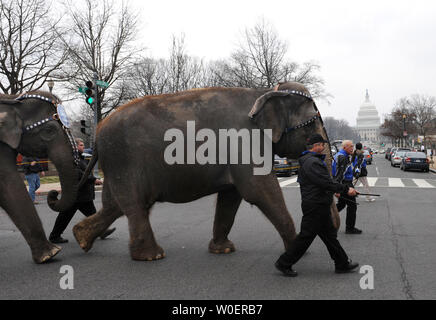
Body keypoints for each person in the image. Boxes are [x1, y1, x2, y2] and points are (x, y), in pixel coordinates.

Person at [275, 134, 359, 277]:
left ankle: (342, 263)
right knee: (306, 237)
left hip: (318, 203)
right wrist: (345, 189)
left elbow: (323, 182)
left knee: (330, 236)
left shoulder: (310, 161)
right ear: (316, 146)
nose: (324, 147)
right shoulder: (312, 162)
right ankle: (284, 263)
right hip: (315, 205)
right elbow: (324, 182)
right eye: (322, 145)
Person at [49, 138, 115, 243]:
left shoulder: (80, 158)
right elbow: (78, 174)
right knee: (67, 216)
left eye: (83, 144)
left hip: (82, 194)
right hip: (77, 194)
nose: (83, 146)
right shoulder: (71, 159)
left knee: (74, 215)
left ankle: (55, 235)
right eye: (81, 145)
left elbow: (86, 172)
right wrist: (94, 180)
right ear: (74, 147)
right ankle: (54, 236)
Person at [333, 140, 362, 234]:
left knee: (341, 204)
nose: (352, 148)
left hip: (344, 183)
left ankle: (325, 219)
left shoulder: (340, 155)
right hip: (344, 183)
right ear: (344, 147)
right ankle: (350, 228)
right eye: (350, 147)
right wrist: (337, 190)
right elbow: (340, 174)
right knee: (352, 206)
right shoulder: (343, 157)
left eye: (352, 146)